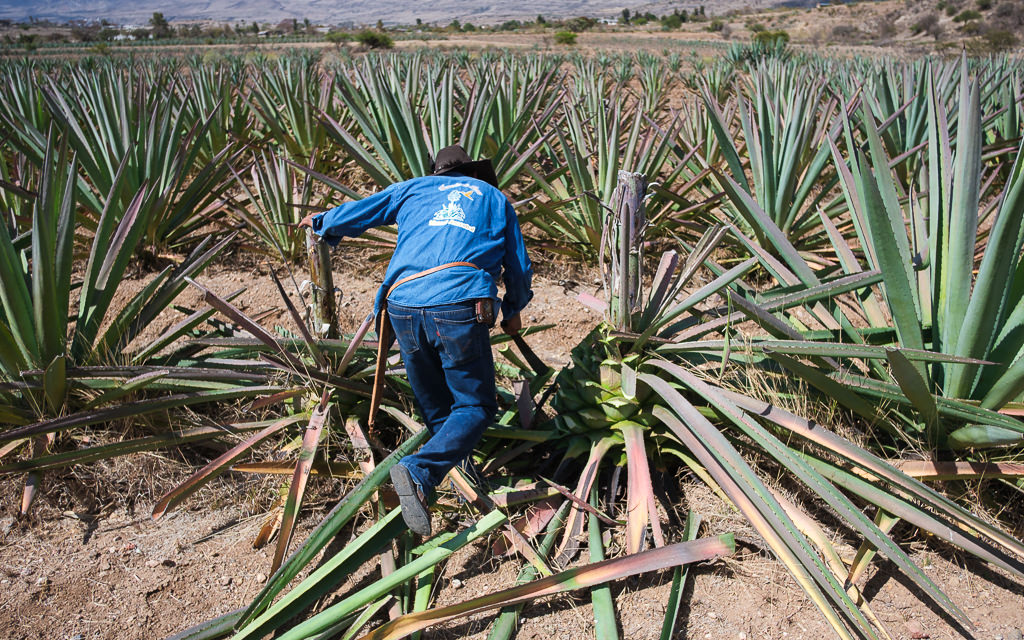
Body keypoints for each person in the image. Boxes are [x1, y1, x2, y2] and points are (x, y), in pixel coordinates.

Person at [299, 145, 533, 535]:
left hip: (403, 305)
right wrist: (512, 310)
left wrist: (322, 222)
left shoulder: (414, 189)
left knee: (440, 413)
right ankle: (418, 471)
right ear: (476, 173)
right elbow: (519, 268)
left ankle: (461, 486)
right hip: (459, 304)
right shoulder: (495, 199)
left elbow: (365, 210)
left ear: (436, 174)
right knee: (475, 406)